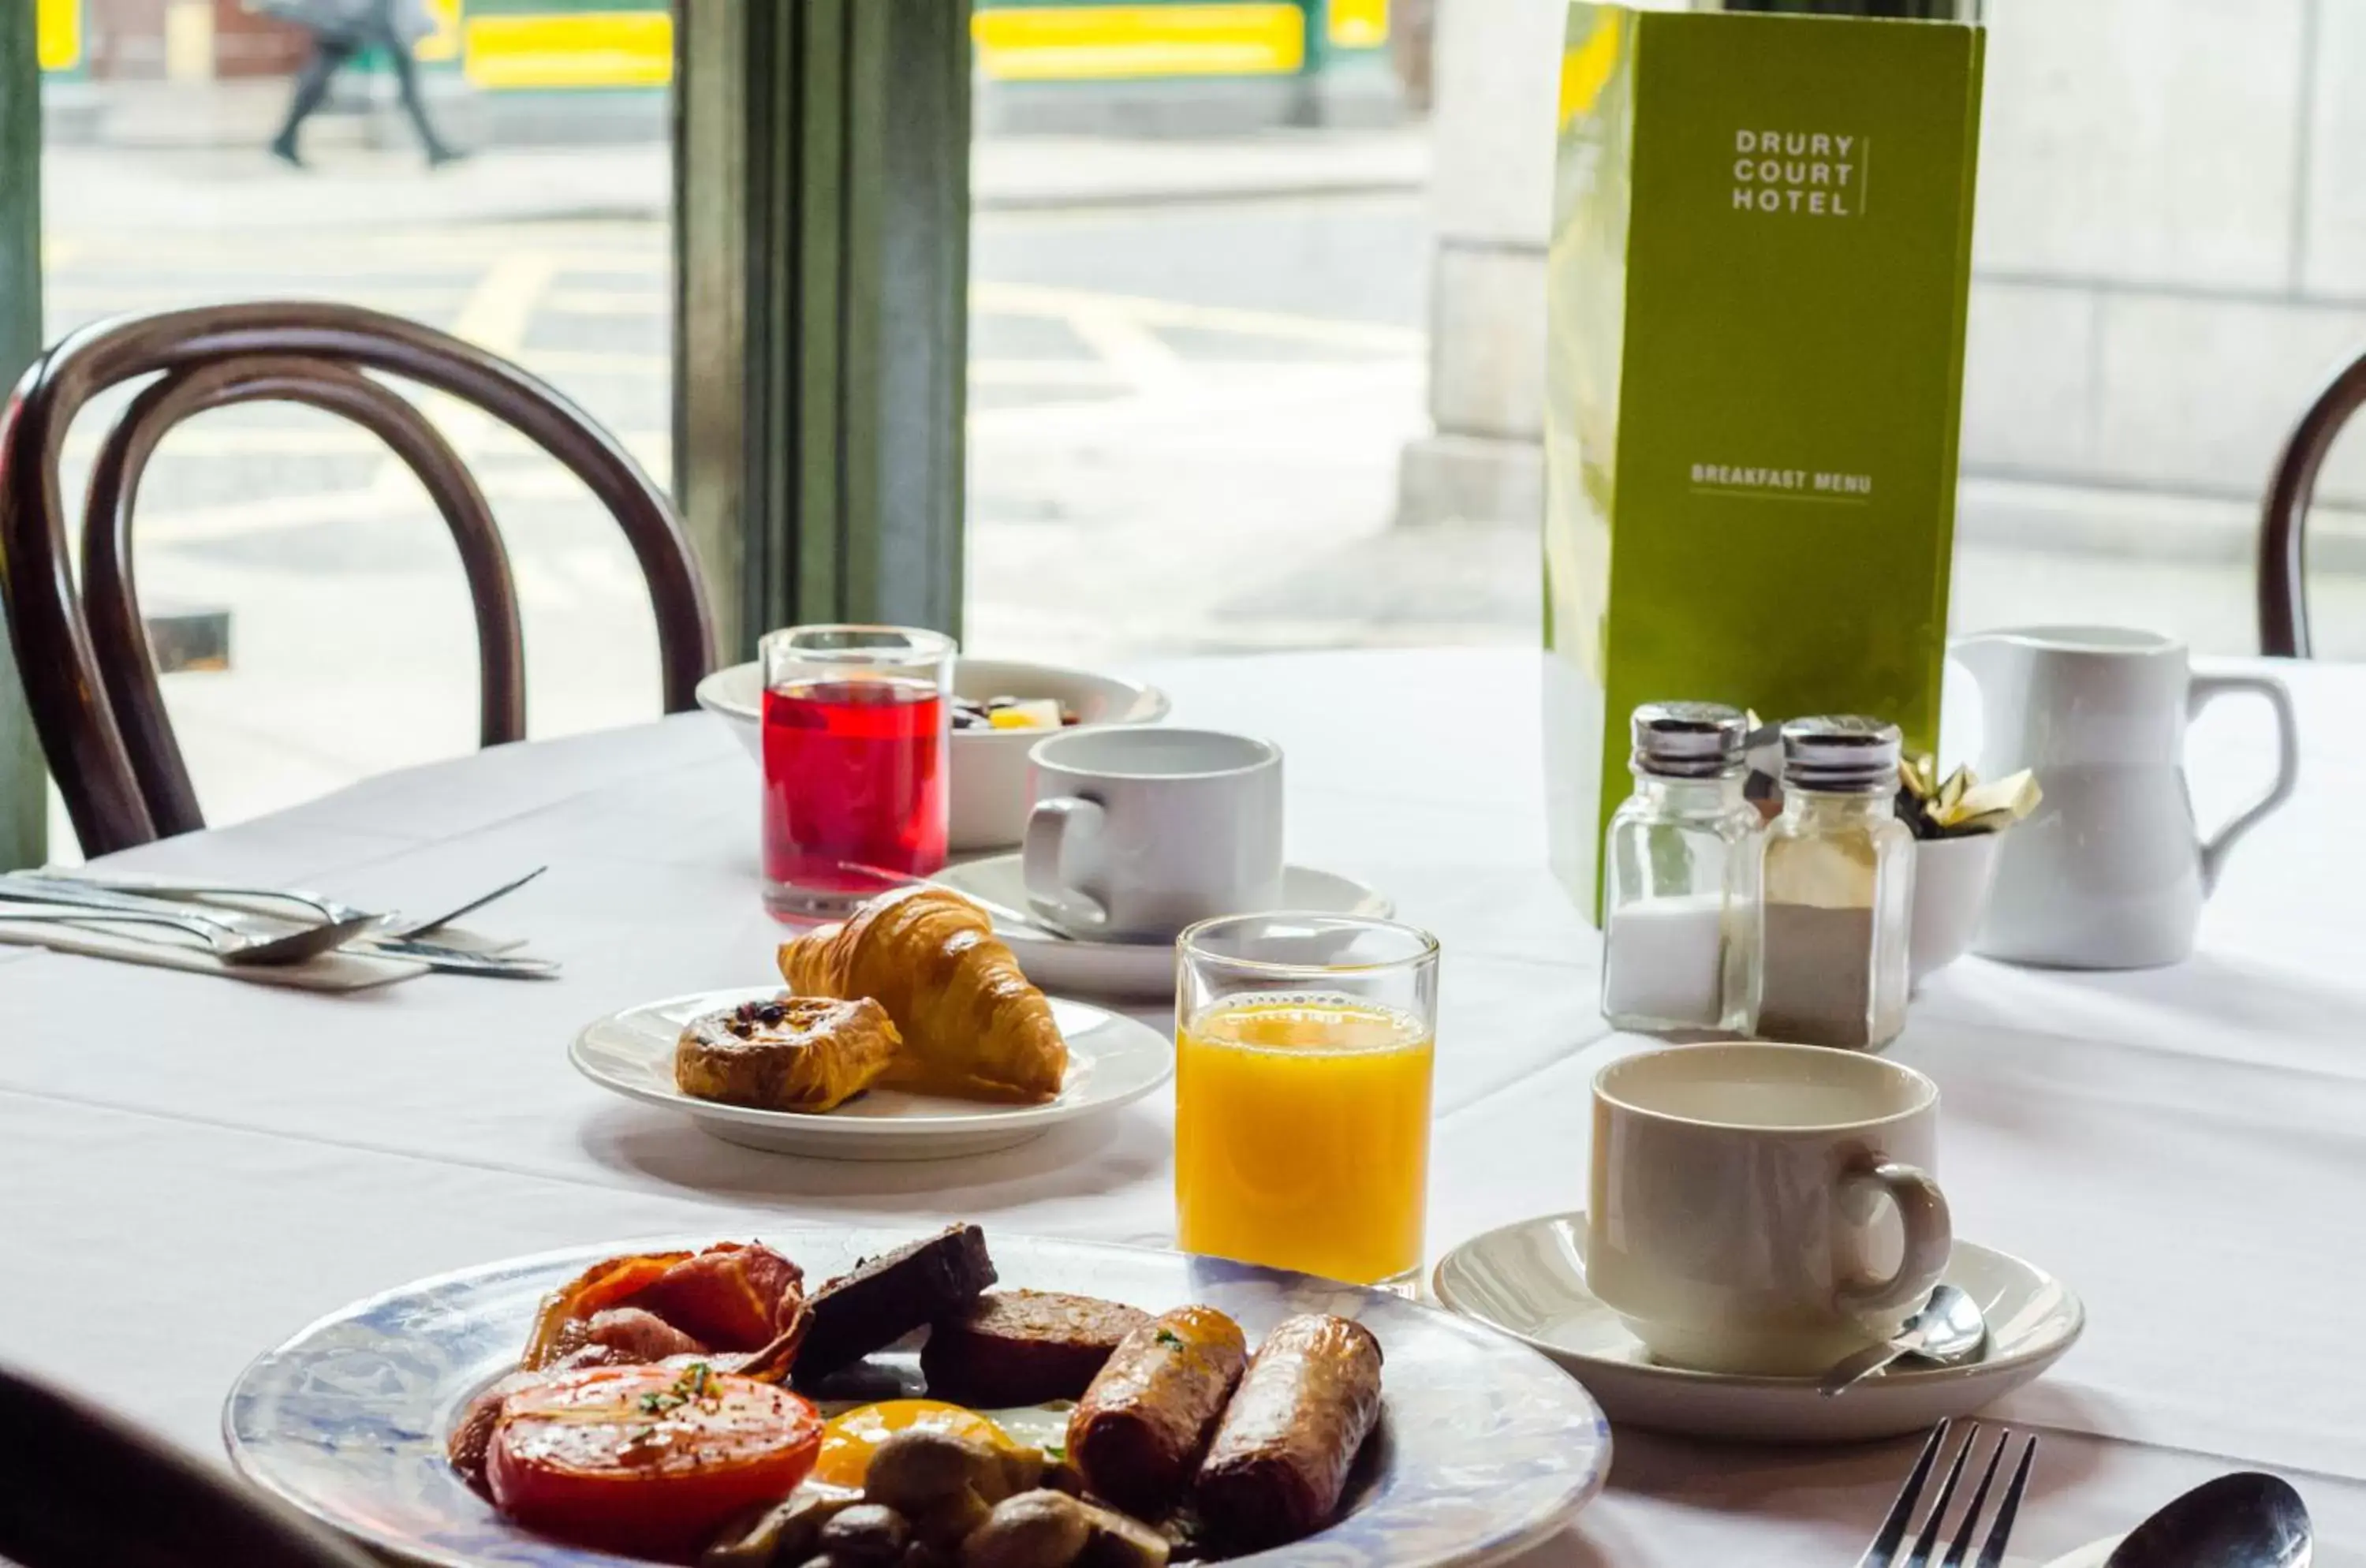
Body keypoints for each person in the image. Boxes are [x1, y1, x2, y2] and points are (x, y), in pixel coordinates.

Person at [268, 0, 461, 170]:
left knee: (406, 81)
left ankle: (435, 147)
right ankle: (284, 139)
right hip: (356, 14)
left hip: (372, 14)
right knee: (320, 79)